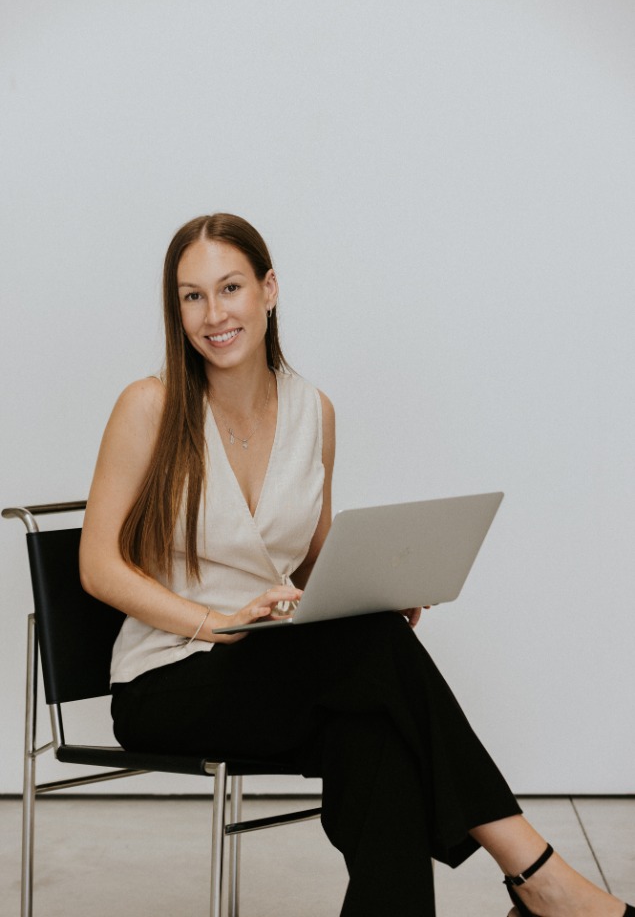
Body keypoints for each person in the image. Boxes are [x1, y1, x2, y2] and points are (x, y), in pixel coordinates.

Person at [79, 213, 633, 917]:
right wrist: (214, 622)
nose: (213, 314)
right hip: (169, 679)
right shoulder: (150, 406)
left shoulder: (313, 411)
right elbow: (98, 567)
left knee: (375, 730)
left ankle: (533, 890)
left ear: (268, 289)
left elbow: (310, 565)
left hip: (276, 669)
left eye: (230, 288)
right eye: (192, 296)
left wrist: (370, 589)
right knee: (374, 666)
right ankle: (540, 878)